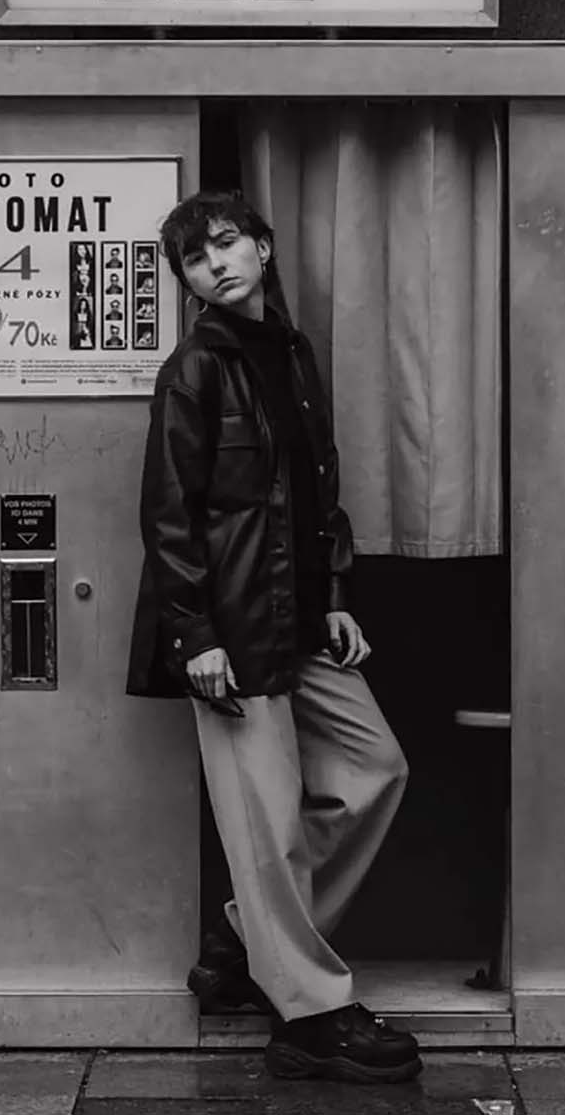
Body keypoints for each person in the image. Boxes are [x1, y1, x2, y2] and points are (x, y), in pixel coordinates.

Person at [126, 191, 418, 1085]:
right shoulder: (195, 369)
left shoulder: (290, 354)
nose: (215, 263)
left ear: (261, 246)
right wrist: (195, 635)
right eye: (194, 259)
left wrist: (334, 592)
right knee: (271, 830)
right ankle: (310, 1015)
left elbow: (314, 486)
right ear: (187, 282)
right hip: (231, 637)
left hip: (296, 619)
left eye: (225, 243)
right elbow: (169, 516)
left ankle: (244, 940)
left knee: (377, 768)